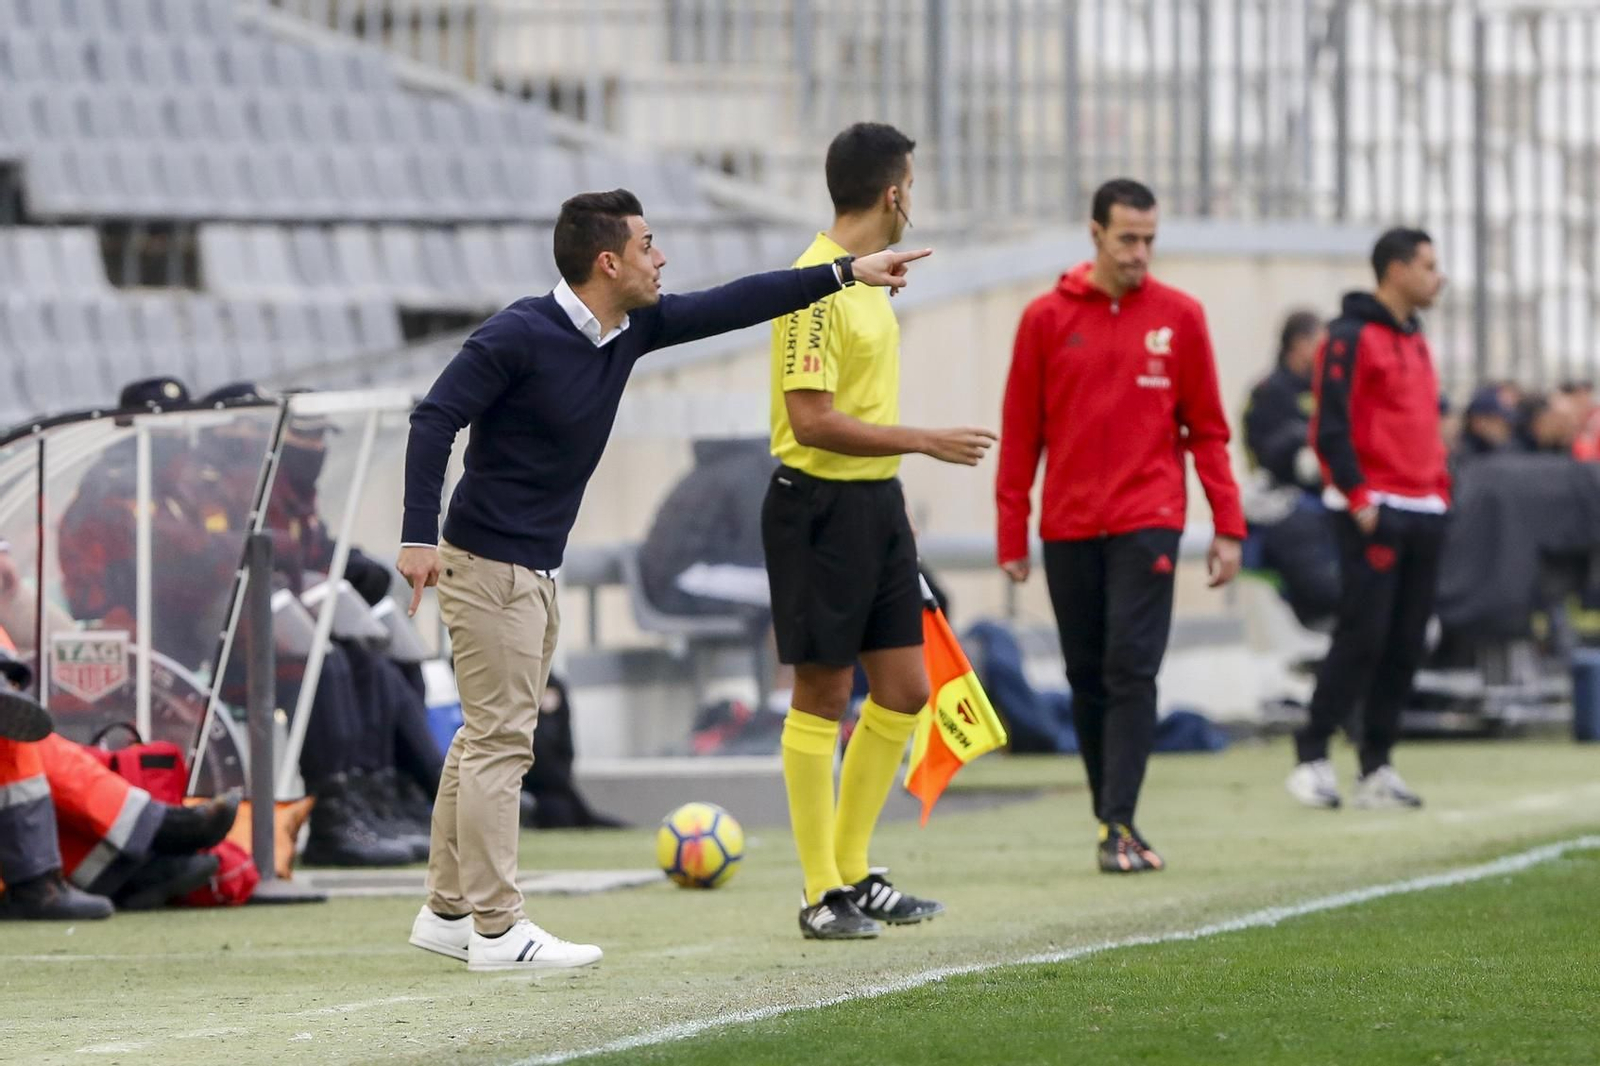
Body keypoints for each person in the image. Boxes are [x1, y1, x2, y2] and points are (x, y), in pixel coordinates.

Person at [398, 188, 931, 971]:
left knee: (487, 739)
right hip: (487, 566)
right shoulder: (518, 333)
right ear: (607, 261)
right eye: (649, 245)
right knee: (500, 745)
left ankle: (448, 911)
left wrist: (847, 273)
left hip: (534, 566)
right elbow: (433, 418)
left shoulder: (630, 328)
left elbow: (738, 303)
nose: (662, 257)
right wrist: (416, 534)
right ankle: (496, 928)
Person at [762, 123, 993, 940]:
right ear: (894, 192)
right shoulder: (812, 287)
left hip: (874, 506)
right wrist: (925, 438)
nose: (913, 202)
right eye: (912, 187)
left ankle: (855, 871)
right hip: (817, 507)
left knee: (903, 689)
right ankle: (819, 888)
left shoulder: (863, 282)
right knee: (823, 693)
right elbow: (811, 420)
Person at [996, 178, 1245, 874]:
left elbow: (1209, 432)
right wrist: (1012, 531)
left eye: (1149, 239)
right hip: (1069, 526)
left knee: (1130, 667)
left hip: (1149, 520)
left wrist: (1229, 526)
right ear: (1096, 233)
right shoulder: (1045, 318)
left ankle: (1121, 820)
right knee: (1086, 676)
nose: (1140, 253)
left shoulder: (1182, 317)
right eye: (1128, 238)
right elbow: (1021, 435)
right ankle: (1110, 817)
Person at [1286, 227, 1450, 810]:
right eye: (1429, 266)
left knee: (1407, 642)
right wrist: (1358, 497)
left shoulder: (1416, 338)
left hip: (1424, 506)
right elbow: (1329, 426)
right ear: (1396, 270)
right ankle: (1310, 753)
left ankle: (1376, 764)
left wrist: (1440, 489)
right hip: (1374, 509)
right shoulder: (1349, 336)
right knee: (1362, 636)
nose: (1440, 277)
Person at [1242, 310, 1341, 626]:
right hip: (1287, 504)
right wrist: (1301, 444)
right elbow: (1266, 451)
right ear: (1299, 344)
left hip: (1332, 497)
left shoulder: (1328, 389)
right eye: (1319, 343)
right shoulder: (1270, 391)